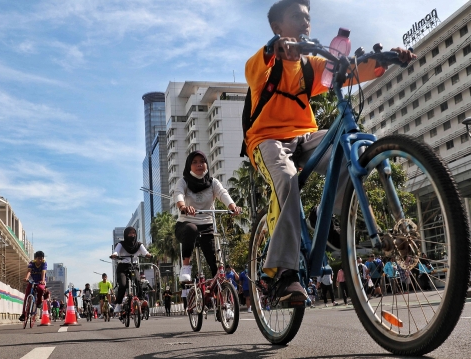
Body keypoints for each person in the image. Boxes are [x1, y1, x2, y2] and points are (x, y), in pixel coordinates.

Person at [243, 0, 416, 303]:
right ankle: (283, 274)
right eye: (297, 16)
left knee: (346, 148)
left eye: (308, 17)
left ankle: (325, 217)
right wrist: (276, 47)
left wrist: (386, 59)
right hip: (267, 139)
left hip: (305, 136)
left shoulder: (312, 66)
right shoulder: (261, 64)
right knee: (286, 178)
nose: (305, 22)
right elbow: (267, 55)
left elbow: (350, 72)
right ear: (277, 27)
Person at [174, 150, 241, 283]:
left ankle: (218, 291)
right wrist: (183, 207)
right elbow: (178, 194)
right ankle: (186, 266)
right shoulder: (183, 182)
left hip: (207, 225)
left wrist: (233, 207)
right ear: (189, 166)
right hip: (186, 225)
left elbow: (222, 193)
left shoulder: (213, 182)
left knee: (213, 260)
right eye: (195, 162)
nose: (199, 165)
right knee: (191, 229)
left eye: (202, 161)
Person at [110, 226, 152, 314]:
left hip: (133, 266)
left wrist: (148, 255)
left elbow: (145, 252)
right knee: (123, 284)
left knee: (138, 281)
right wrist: (114, 255)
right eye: (130, 233)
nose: (132, 235)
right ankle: (118, 303)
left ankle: (140, 299)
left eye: (133, 233)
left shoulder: (139, 245)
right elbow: (116, 252)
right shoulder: (121, 244)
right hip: (122, 267)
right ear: (126, 234)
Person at [19, 251, 47, 321]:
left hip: (41, 281)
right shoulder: (31, 263)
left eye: (41, 258)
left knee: (40, 288)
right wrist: (26, 278)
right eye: (39, 258)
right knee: (26, 296)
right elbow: (29, 271)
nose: (40, 260)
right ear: (35, 258)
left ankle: (39, 302)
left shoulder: (44, 263)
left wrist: (43, 280)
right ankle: (23, 314)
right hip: (33, 281)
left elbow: (43, 272)